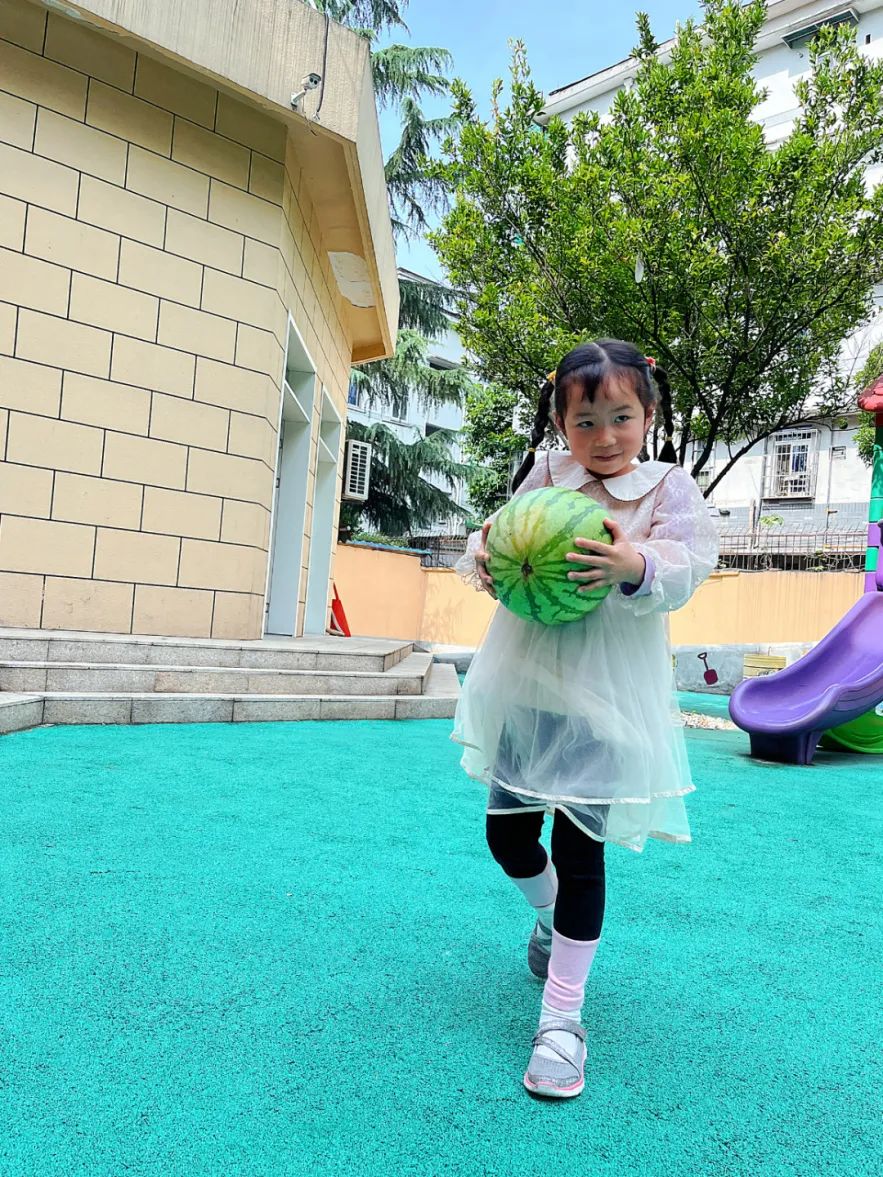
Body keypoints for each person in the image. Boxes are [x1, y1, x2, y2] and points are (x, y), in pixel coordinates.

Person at [453, 339, 719, 1099]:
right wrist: (486, 552)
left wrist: (632, 564)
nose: (604, 436)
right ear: (560, 422)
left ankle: (562, 1021)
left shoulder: (667, 486)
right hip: (530, 685)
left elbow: (687, 564)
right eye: (585, 421)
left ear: (649, 413)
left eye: (621, 417)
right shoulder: (544, 473)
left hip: (608, 700)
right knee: (506, 836)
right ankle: (547, 921)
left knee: (581, 852)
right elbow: (495, 532)